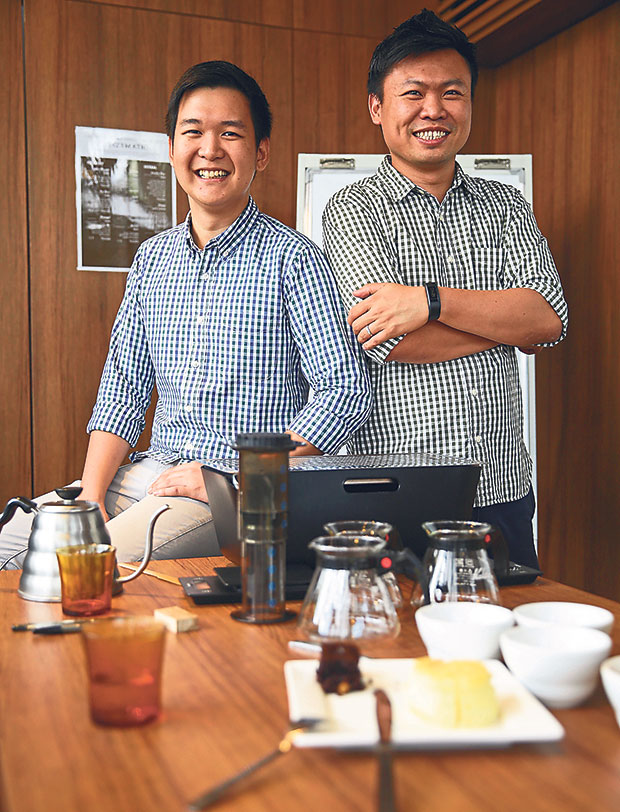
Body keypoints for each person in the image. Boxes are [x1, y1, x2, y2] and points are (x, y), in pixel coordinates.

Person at [0, 61, 371, 569]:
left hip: (232, 493)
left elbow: (343, 392)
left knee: (88, 565)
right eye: (193, 132)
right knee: (11, 543)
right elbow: (121, 391)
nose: (210, 149)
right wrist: (89, 496)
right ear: (172, 149)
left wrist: (234, 476)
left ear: (260, 153)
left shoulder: (295, 257)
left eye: (231, 133)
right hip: (147, 475)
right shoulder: (152, 258)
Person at [322, 11, 567, 568]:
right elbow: (387, 341)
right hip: (395, 489)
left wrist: (430, 302)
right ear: (377, 108)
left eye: (452, 92)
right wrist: (504, 328)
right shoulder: (350, 210)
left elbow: (548, 319)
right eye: (414, 93)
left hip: (499, 486)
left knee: (500, 643)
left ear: (470, 104)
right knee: (395, 645)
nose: (434, 110)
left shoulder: (506, 205)